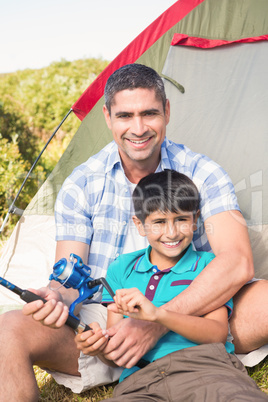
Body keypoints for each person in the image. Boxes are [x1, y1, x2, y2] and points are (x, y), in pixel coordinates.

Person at [0, 63, 267, 401]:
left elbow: (237, 262)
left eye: (149, 113)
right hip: (105, 324)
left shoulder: (203, 173)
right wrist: (56, 295)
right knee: (9, 328)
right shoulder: (82, 183)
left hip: (193, 308)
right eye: (125, 116)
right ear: (108, 116)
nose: (138, 128)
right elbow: (71, 279)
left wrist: (156, 323)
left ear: (167, 112)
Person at [74, 170, 267, 401]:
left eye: (181, 220)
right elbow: (117, 354)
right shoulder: (121, 269)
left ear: (195, 220)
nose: (172, 232)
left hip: (208, 369)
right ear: (140, 225)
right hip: (140, 381)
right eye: (159, 222)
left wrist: (159, 315)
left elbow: (217, 334)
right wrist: (99, 347)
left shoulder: (209, 267)